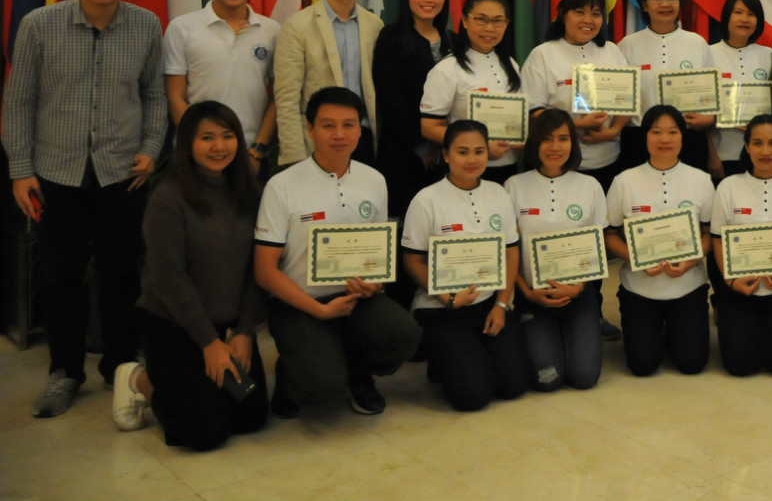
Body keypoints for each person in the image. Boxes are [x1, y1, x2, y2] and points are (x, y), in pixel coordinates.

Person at [6, 0, 164, 419]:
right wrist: (20, 170)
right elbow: (18, 100)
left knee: (121, 273)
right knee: (61, 276)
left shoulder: (146, 25)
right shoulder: (39, 24)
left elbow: (154, 94)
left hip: (122, 173)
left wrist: (151, 150)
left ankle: (121, 364)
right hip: (56, 173)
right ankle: (65, 371)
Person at [253, 87, 421, 418]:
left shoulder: (374, 180)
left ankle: (357, 373)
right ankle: (293, 373)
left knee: (405, 335)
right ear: (310, 129)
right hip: (299, 304)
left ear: (360, 130)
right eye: (328, 126)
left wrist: (374, 284)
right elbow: (264, 270)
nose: (339, 135)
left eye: (348, 125)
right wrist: (319, 310)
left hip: (357, 298)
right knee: (322, 388)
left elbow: (378, 253)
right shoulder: (281, 186)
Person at [112, 102, 268, 449]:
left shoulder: (252, 194)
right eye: (206, 138)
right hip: (174, 323)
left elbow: (257, 269)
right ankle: (137, 379)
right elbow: (169, 279)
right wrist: (208, 342)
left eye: (227, 136)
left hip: (229, 326)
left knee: (250, 417)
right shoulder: (168, 198)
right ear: (187, 144)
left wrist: (245, 331)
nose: (219, 146)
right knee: (204, 432)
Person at [401, 120, 529, 411]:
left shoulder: (499, 194)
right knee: (473, 397)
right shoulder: (426, 200)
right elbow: (413, 260)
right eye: (462, 152)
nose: (472, 159)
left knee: (513, 386)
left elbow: (511, 253)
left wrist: (501, 304)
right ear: (446, 155)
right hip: (442, 309)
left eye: (479, 151)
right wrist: (446, 297)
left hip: (488, 305)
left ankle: (466, 355)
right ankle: (442, 358)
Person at [605, 105, 715, 376]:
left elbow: (710, 235)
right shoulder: (624, 181)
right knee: (642, 366)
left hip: (688, 285)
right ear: (645, 136)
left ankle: (675, 331)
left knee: (691, 364)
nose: (664, 139)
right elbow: (609, 235)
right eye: (656, 132)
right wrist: (636, 259)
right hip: (640, 287)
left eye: (672, 132)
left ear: (682, 137)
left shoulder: (701, 180)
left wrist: (691, 261)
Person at [506, 109, 607, 392]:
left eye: (563, 138)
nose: (555, 146)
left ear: (573, 143)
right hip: (532, 297)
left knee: (584, 378)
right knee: (547, 380)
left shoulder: (590, 186)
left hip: (579, 294)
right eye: (546, 138)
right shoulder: (514, 186)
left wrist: (578, 287)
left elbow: (597, 246)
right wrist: (527, 292)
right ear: (534, 142)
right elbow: (507, 250)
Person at [163, 0, 280, 169]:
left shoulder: (272, 30)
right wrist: (197, 142)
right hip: (195, 154)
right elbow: (175, 96)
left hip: (250, 155)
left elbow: (279, 97)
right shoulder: (182, 28)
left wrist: (258, 149)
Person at [710, 116, 772, 377]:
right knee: (739, 367)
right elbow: (717, 239)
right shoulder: (728, 187)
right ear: (747, 146)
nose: (765, 151)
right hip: (741, 290)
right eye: (757, 143)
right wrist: (731, 280)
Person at [273, 0, 384, 167]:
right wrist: (294, 157)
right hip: (316, 144)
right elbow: (287, 99)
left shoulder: (375, 25)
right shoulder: (297, 26)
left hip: (364, 140)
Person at [521, 0, 630, 191]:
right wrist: (579, 124)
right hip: (558, 163)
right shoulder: (542, 55)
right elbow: (534, 112)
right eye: (579, 12)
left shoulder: (612, 51)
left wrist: (614, 131)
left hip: (609, 159)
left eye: (595, 14)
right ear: (563, 14)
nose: (588, 20)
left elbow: (628, 101)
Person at [372, 0, 455, 228]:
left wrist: (447, 143)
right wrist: (422, 146)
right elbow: (390, 99)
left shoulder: (454, 40)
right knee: (407, 229)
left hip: (448, 156)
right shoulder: (391, 37)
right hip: (403, 154)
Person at [420, 0, 529, 182]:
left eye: (498, 21)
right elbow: (429, 127)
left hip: (510, 169)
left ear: (507, 24)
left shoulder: (511, 64)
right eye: (481, 19)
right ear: (465, 20)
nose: (490, 28)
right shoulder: (447, 69)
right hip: (466, 170)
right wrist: (481, 147)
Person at [619, 0, 716, 172]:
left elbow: (709, 100)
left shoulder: (697, 44)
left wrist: (708, 119)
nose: (665, 4)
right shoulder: (627, 46)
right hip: (638, 141)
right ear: (644, 5)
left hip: (688, 139)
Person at [707, 0, 772, 180]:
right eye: (738, 12)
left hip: (763, 156)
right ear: (726, 16)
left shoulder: (770, 56)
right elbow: (700, 110)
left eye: (751, 14)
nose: (744, 19)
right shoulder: (707, 54)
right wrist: (711, 155)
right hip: (721, 155)